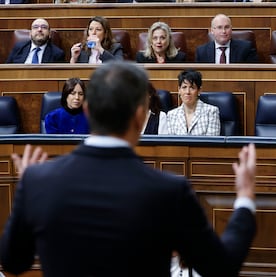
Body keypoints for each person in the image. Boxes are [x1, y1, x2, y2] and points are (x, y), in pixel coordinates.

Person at [0, 61, 256, 277]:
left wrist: (28, 191)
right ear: (139, 116)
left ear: (87, 110)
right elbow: (222, 267)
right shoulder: (171, 191)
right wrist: (245, 198)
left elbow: (13, 262)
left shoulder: (37, 180)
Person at [167, 69, 221, 135]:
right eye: (184, 87)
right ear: (179, 90)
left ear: (199, 90)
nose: (187, 92)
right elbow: (170, 143)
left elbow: (211, 143)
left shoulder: (211, 112)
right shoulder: (171, 115)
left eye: (192, 88)